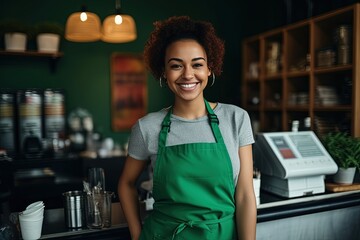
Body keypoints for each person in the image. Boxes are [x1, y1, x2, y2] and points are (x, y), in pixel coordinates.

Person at [118, 15, 257, 240]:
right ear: (163, 71)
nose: (188, 75)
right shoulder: (147, 128)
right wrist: (137, 235)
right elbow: (125, 183)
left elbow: (244, 196)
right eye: (176, 66)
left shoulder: (236, 118)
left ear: (210, 68)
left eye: (197, 64)